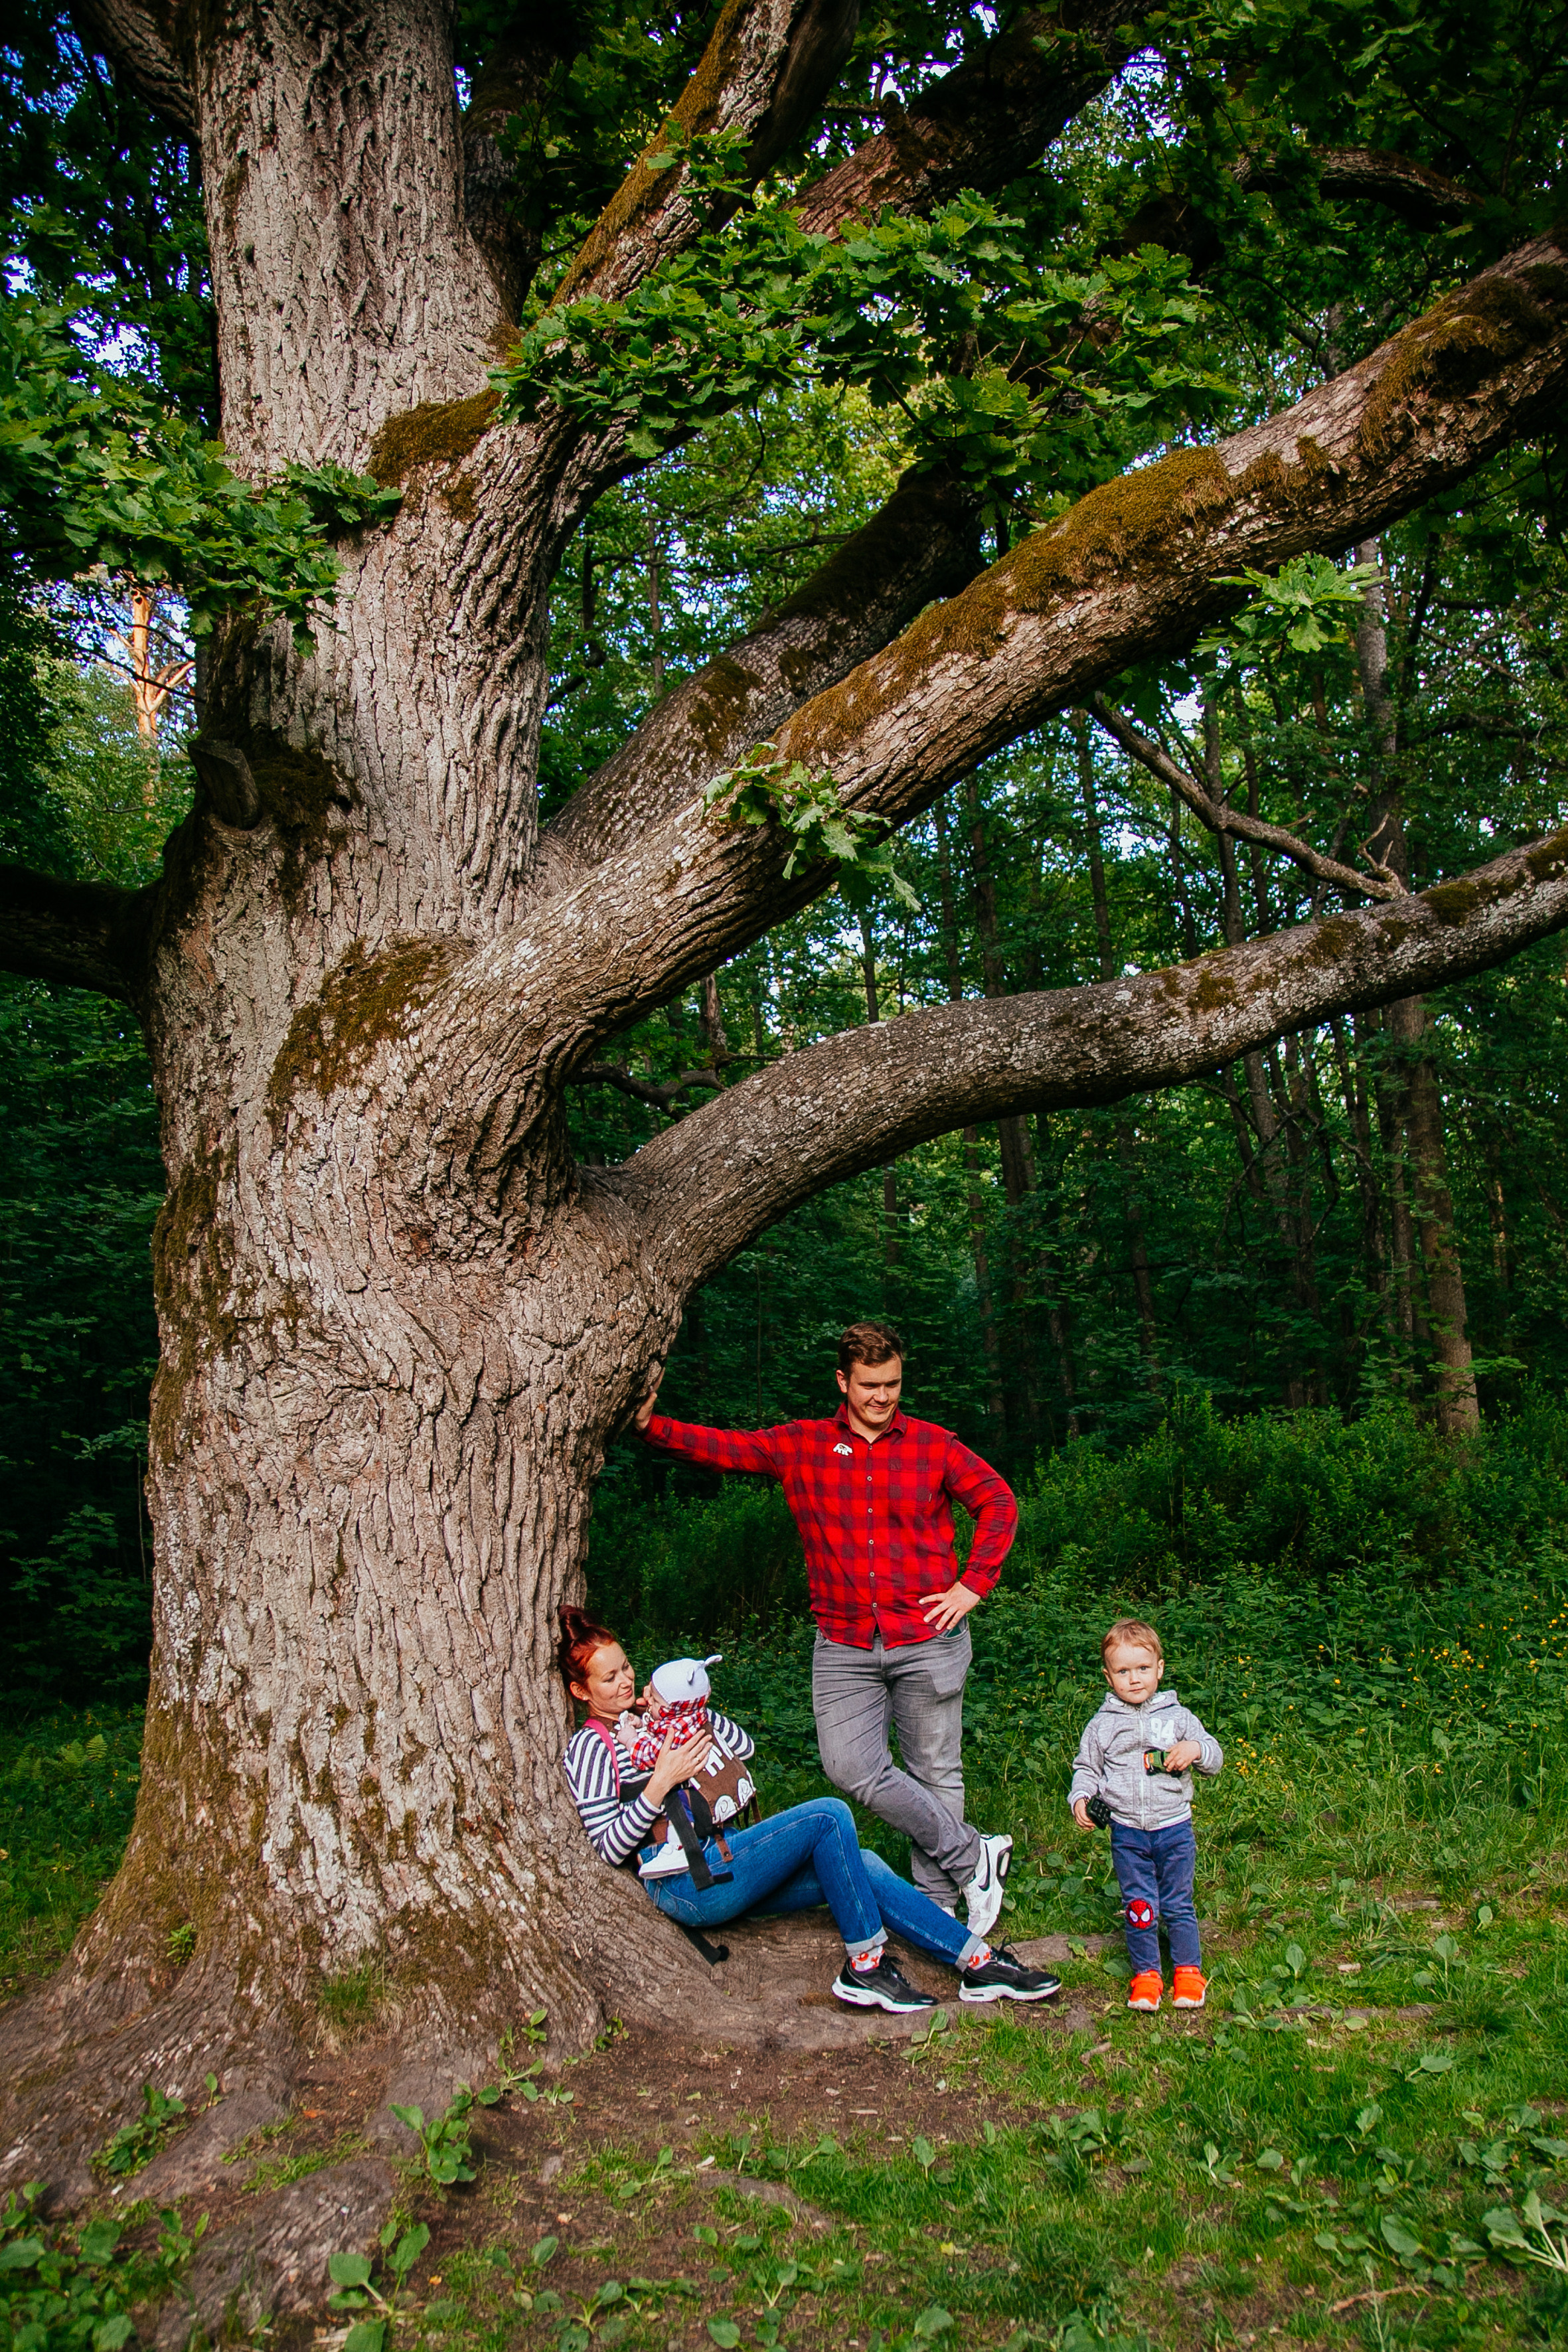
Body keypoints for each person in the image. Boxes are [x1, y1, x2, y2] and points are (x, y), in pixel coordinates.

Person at [635, 1320, 1016, 1929]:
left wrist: (972, 1584)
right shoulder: (803, 1444)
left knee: (935, 1769)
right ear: (843, 1381)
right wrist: (650, 1426)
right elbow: (723, 1448)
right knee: (850, 1767)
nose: (883, 1396)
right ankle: (974, 1855)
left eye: (892, 1383)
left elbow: (997, 1499)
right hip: (843, 1641)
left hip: (928, 1636)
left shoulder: (933, 1444)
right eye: (869, 1384)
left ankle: (939, 1902)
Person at [558, 1607, 1061, 2011]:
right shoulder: (592, 1746)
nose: (625, 1682)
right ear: (582, 1692)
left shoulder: (656, 1722)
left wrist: (690, 1716)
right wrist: (660, 1782)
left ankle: (980, 1964)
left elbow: (744, 1747)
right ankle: (865, 1966)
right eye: (608, 1679)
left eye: (626, 1668)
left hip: (729, 1864)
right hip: (687, 1885)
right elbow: (607, 1846)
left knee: (861, 1863)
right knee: (827, 1815)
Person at [1068, 1618, 1223, 2012]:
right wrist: (1082, 1797)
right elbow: (1087, 1768)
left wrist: (1195, 1750)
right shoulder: (1102, 1725)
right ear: (1108, 1676)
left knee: (1178, 1903)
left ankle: (1189, 1971)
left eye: (1142, 1669)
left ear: (1159, 1669)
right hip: (1128, 1833)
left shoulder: (1179, 1717)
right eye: (1123, 1671)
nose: (1134, 1679)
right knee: (1140, 1905)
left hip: (1174, 1828)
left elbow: (1213, 1755)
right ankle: (1147, 1974)